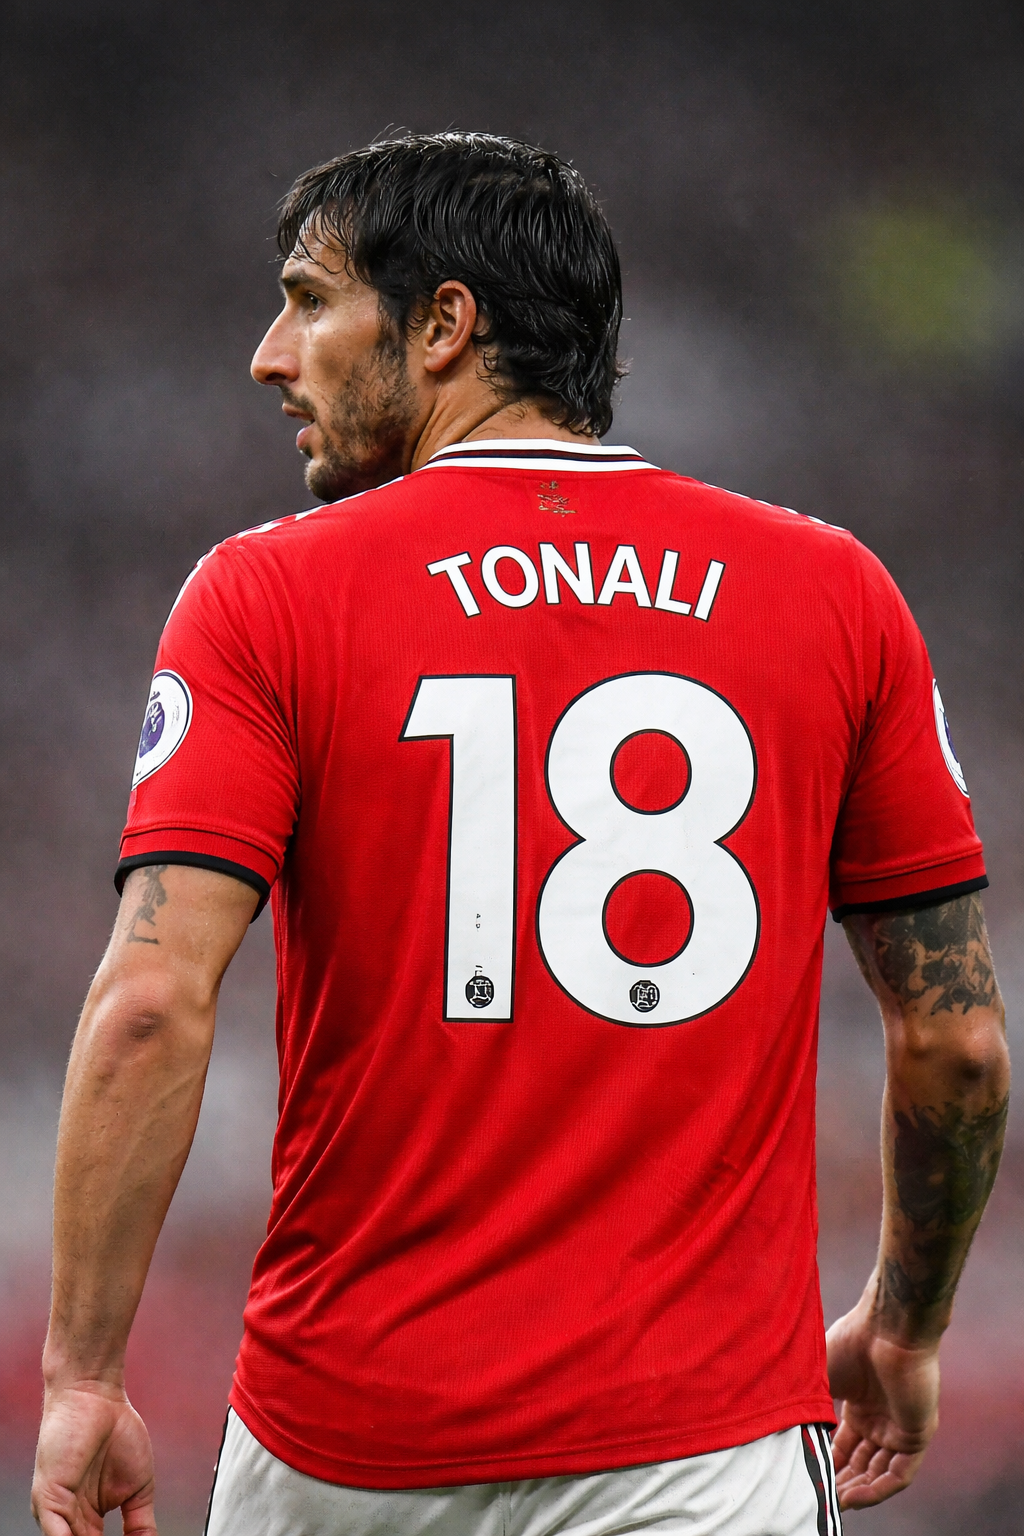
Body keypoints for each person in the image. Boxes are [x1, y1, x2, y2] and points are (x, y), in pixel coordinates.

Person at [32, 133, 1009, 1536]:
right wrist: (905, 1327)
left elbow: (147, 1006)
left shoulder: (261, 598)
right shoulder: (834, 593)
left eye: (309, 301)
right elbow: (958, 1040)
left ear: (445, 324)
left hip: (343, 1448)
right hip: (701, 1456)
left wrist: (82, 1375)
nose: (268, 356)